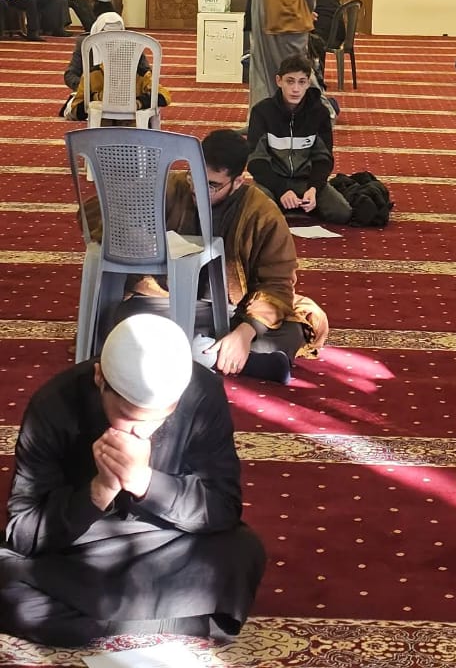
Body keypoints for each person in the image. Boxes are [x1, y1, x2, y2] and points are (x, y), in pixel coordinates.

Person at [0, 314, 266, 647]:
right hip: (83, 547)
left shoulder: (202, 393)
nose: (141, 433)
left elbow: (223, 507)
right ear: (99, 377)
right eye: (127, 417)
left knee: (243, 551)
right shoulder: (53, 405)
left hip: (165, 539)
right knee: (6, 576)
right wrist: (98, 492)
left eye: (157, 419)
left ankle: (98, 621)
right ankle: (177, 620)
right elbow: (23, 531)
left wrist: (146, 483)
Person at [111, 129, 330, 386]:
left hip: (235, 309)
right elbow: (101, 210)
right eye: (194, 176)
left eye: (212, 185)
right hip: (170, 302)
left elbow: (278, 283)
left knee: (299, 322)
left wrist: (245, 332)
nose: (198, 189)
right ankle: (238, 360)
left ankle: (197, 351)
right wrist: (134, 235)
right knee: (128, 314)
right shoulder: (171, 187)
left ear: (238, 182)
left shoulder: (262, 213)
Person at [247, 53, 352, 225]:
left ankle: (300, 202)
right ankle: (285, 202)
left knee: (341, 213)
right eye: (290, 81)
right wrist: (281, 190)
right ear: (279, 81)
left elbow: (324, 158)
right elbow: (255, 161)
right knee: (258, 213)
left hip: (305, 181)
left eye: (301, 82)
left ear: (308, 83)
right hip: (272, 182)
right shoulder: (262, 112)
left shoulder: (319, 113)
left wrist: (314, 188)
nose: (295, 89)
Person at [61, 11, 167, 120]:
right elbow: (70, 75)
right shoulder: (85, 45)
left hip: (126, 94)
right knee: (77, 109)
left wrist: (124, 91)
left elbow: (147, 73)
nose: (111, 40)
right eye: (106, 34)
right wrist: (90, 88)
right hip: (92, 94)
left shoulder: (132, 46)